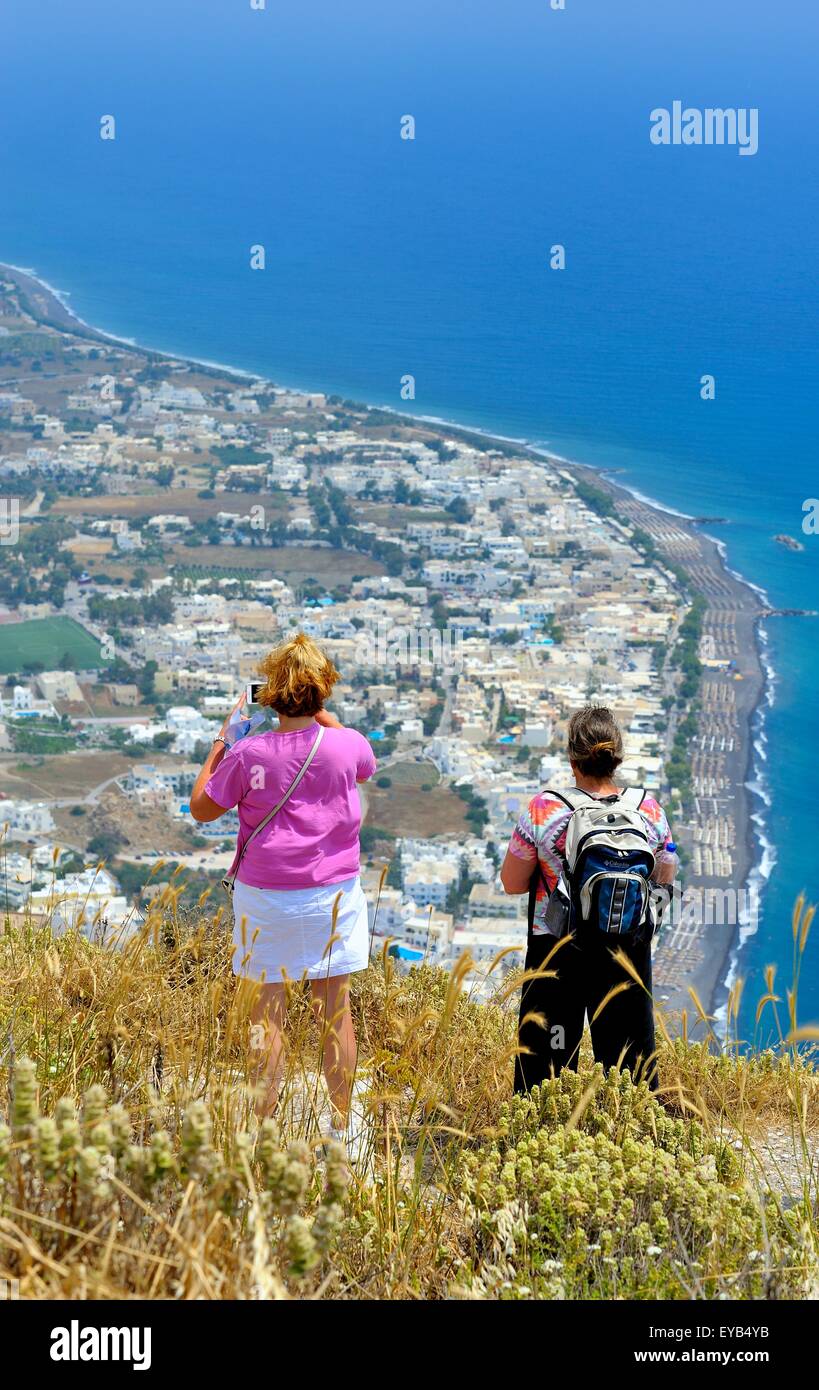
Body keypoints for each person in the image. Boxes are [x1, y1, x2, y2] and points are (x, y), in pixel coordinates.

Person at [189, 633, 376, 1134]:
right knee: (335, 1012)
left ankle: (261, 1132)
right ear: (322, 691)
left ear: (271, 692)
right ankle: (343, 1130)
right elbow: (364, 764)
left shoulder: (250, 754)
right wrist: (322, 717)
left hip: (266, 898)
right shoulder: (346, 744)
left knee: (264, 1017)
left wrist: (225, 738)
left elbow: (201, 808)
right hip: (333, 895)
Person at [500, 705, 676, 1093]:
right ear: (617, 756)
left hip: (558, 953)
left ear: (572, 755)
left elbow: (512, 883)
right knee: (630, 1067)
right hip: (625, 951)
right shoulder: (648, 809)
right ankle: (636, 1141)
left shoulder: (545, 809)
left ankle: (540, 1135)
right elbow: (664, 877)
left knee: (547, 1064)